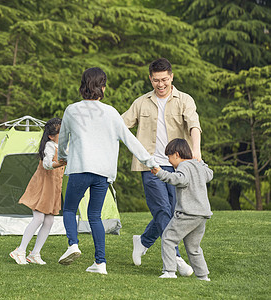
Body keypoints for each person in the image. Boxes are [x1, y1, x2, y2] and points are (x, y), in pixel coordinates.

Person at [57, 67, 158, 275]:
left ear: (83, 85)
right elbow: (131, 141)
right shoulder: (111, 113)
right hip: (103, 173)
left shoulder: (72, 110)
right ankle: (100, 263)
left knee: (69, 209)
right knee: (94, 216)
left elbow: (63, 140)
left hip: (80, 169)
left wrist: (63, 158)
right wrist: (150, 161)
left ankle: (73, 245)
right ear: (103, 87)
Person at [122, 58, 201, 276]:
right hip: (151, 166)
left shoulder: (184, 100)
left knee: (176, 211)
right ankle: (174, 257)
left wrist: (197, 150)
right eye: (156, 80)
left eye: (164, 79)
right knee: (162, 210)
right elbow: (120, 125)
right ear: (150, 79)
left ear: (172, 77)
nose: (160, 84)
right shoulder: (141, 102)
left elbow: (194, 125)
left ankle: (143, 241)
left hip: (179, 167)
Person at [151, 138, 213, 281]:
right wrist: (201, 162)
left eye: (169, 157)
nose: (169, 161)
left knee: (168, 238)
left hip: (188, 213)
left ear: (177, 154)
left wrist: (160, 173)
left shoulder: (183, 166)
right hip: (202, 214)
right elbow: (209, 174)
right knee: (193, 247)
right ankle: (203, 276)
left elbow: (180, 179)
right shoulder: (198, 165)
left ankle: (169, 272)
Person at [9, 118, 67, 265]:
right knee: (39, 218)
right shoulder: (49, 146)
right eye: (61, 132)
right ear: (51, 136)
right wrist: (60, 162)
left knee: (49, 220)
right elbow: (47, 165)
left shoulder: (62, 147)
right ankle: (20, 250)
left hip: (53, 188)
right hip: (42, 186)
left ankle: (35, 253)